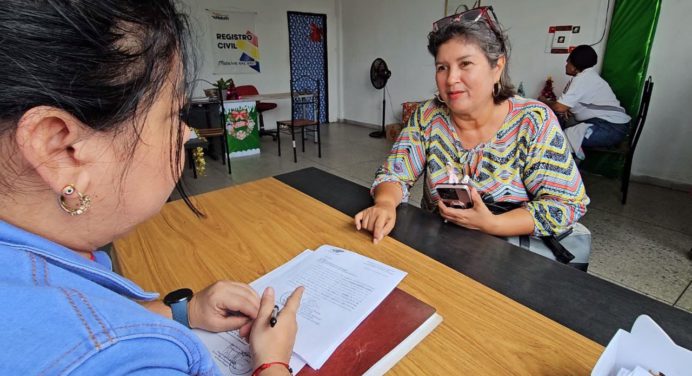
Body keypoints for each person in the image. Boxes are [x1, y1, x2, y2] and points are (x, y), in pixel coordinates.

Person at [0, 1, 302, 375]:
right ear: (60, 149)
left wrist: (183, 311)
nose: (189, 133)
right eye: (175, 114)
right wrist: (272, 362)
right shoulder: (122, 361)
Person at [354, 9, 589, 244]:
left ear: (497, 67)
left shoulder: (533, 121)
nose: (451, 78)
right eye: (442, 67)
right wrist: (385, 204)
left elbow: (566, 205)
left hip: (511, 257)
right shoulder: (428, 116)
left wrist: (492, 224)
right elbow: (395, 174)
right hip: (441, 248)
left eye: (465, 63)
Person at [539, 45, 631, 153]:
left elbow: (559, 107)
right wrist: (569, 110)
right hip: (608, 125)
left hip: (610, 128)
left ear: (575, 66)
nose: (566, 65)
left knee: (560, 140)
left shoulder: (582, 79)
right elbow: (573, 104)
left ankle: (566, 168)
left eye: (568, 62)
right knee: (565, 129)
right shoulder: (586, 76)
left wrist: (543, 101)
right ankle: (570, 164)